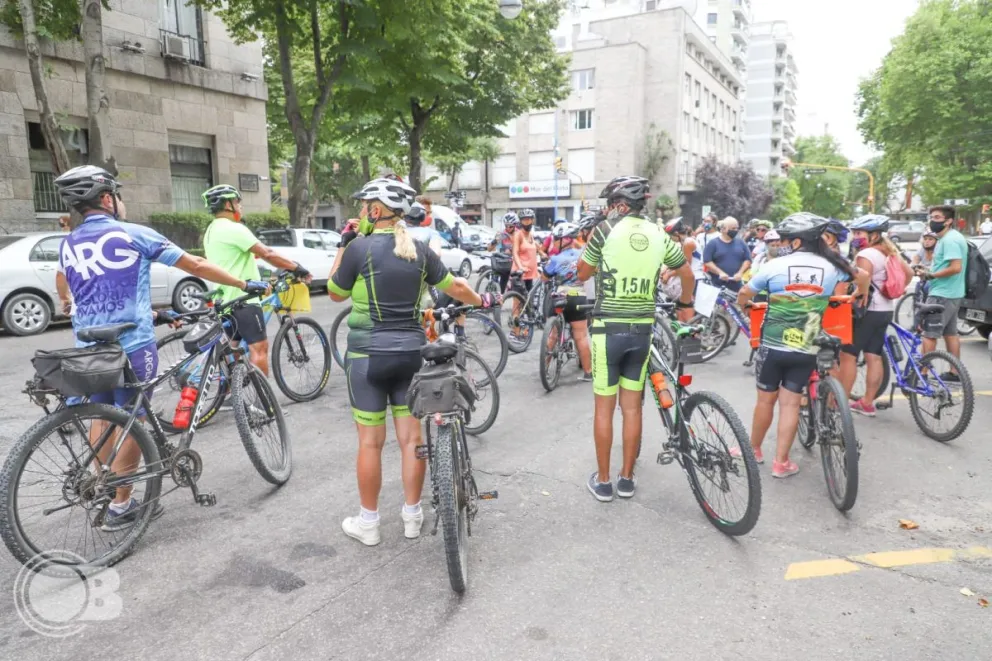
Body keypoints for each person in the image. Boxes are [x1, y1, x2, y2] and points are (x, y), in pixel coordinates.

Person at [53, 165, 268, 529]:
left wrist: (69, 303)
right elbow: (196, 263)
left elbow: (68, 283)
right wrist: (243, 283)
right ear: (107, 199)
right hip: (132, 345)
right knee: (132, 417)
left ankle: (103, 484)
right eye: (117, 196)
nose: (120, 202)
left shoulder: (69, 242)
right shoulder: (133, 233)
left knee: (101, 413)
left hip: (88, 345)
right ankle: (123, 506)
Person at [327, 178, 496, 546]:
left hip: (366, 355)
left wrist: (344, 244)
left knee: (370, 443)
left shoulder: (359, 248)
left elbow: (335, 292)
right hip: (411, 354)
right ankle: (412, 517)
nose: (361, 212)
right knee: (411, 440)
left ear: (375, 211)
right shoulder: (419, 250)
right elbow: (457, 288)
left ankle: (369, 524)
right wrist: (482, 303)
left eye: (364, 206)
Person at [577, 175, 695, 502]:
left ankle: (603, 482)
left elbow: (581, 273)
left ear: (618, 204)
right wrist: (686, 304)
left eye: (610, 204)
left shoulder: (605, 230)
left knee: (604, 408)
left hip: (607, 332)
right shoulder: (659, 233)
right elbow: (686, 272)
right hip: (642, 330)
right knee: (632, 409)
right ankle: (626, 479)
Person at [737, 213, 868, 478]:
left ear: (797, 241)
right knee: (790, 404)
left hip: (772, 345)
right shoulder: (832, 266)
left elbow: (744, 293)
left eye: (785, 239)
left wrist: (745, 306)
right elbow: (862, 275)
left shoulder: (775, 266)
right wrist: (858, 294)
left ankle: (754, 450)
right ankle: (781, 463)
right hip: (806, 345)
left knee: (765, 401)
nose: (782, 243)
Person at [201, 185, 311, 377]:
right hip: (244, 298)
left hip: (225, 299)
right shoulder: (234, 228)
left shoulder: (211, 230)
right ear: (228, 204)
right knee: (259, 348)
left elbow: (232, 258)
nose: (240, 206)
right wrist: (296, 268)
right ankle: (262, 403)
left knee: (231, 349)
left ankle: (230, 394)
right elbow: (267, 252)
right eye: (237, 202)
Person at [838, 215, 913, 415]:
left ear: (874, 235)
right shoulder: (890, 252)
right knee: (873, 355)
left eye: (859, 233)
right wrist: (895, 291)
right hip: (886, 309)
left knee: (848, 355)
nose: (855, 236)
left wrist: (855, 293)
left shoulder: (867, 254)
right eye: (854, 233)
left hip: (867, 310)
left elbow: (860, 280)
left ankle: (840, 404)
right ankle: (867, 403)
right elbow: (910, 274)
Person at [919, 205, 969, 374]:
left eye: (938, 217)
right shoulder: (949, 238)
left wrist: (931, 276)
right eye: (931, 217)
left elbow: (956, 267)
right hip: (952, 293)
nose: (933, 220)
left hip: (942, 294)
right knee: (950, 334)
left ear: (949, 221)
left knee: (929, 335)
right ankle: (955, 372)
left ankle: (922, 374)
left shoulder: (950, 240)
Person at [542, 223, 592, 381]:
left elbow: (544, 278)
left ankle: (545, 368)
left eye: (556, 239)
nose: (554, 242)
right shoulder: (582, 255)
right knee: (581, 336)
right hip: (578, 295)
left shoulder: (555, 259)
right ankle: (588, 372)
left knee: (552, 336)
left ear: (565, 240)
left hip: (560, 295)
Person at [703, 216, 751, 292]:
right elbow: (707, 262)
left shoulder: (741, 243)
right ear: (723, 229)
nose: (736, 230)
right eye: (733, 228)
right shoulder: (713, 244)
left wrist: (740, 273)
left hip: (736, 286)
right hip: (716, 286)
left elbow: (747, 260)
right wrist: (720, 272)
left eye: (737, 228)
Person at [661, 217, 704, 300]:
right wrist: (665, 270)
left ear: (676, 233)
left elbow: (684, 266)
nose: (670, 238)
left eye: (670, 236)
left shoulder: (688, 243)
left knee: (686, 308)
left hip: (695, 278)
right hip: (689, 278)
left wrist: (668, 274)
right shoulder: (683, 243)